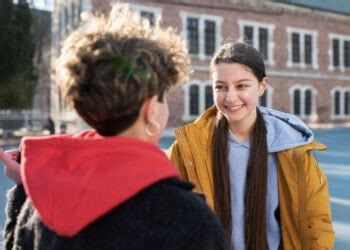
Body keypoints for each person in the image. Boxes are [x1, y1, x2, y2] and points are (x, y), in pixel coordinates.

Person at [0, 5, 228, 250]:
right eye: (163, 96)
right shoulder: (192, 221)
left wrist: (25, 190)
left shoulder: (41, 206)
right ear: (151, 109)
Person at [168, 42, 335, 250]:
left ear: (262, 86)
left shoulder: (294, 150)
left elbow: (316, 222)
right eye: (220, 87)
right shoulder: (186, 150)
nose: (230, 97)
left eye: (242, 86)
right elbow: (168, 218)